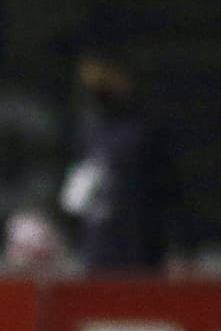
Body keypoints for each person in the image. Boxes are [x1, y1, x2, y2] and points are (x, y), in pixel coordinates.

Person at [58, 38, 198, 274]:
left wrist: (184, 247)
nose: (94, 81)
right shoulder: (87, 129)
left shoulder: (147, 128)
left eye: (102, 72)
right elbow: (76, 196)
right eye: (88, 73)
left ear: (121, 75)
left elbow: (172, 192)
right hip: (98, 256)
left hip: (141, 256)